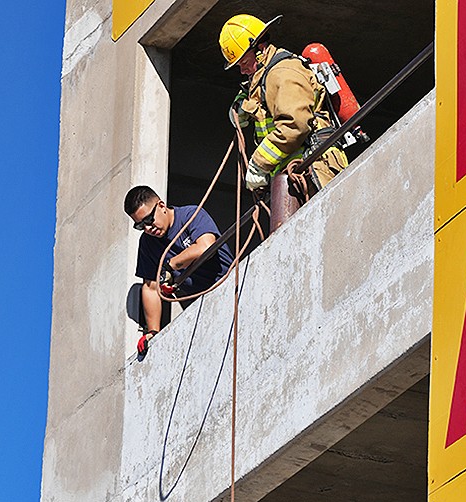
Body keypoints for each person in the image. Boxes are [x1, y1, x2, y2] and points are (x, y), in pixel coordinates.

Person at [219, 14, 347, 198]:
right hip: (296, 176)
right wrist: (241, 106)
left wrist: (259, 163)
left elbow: (295, 125)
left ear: (260, 49)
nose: (242, 70)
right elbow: (255, 97)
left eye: (244, 63)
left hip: (315, 170)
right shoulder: (264, 77)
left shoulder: (282, 73)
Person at [124, 186, 234, 356]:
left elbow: (206, 246)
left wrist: (172, 265)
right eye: (140, 226)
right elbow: (150, 287)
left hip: (231, 286)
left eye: (149, 220)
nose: (147, 229)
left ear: (161, 206)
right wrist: (153, 332)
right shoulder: (147, 243)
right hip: (202, 305)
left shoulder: (190, 215)